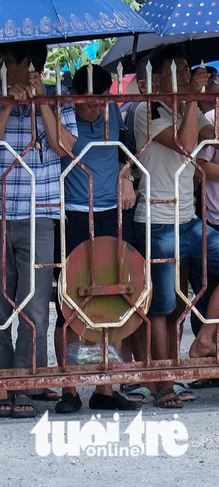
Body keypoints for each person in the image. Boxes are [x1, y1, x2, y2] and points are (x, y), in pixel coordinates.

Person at [0, 42, 76, 418]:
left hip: (40, 211)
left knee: (34, 304)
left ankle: (28, 382)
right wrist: (7, 106)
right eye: (3, 64)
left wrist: (43, 105)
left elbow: (63, 147)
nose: (6, 71)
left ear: (32, 66)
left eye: (11, 64)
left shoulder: (60, 100)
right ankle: (3, 383)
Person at [133, 46, 219, 408]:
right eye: (179, 72)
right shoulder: (146, 110)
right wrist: (192, 100)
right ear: (154, 79)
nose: (186, 77)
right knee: (163, 306)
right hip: (157, 221)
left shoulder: (183, 108)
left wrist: (191, 104)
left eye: (187, 71)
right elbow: (188, 146)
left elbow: (211, 137)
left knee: (176, 300)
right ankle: (163, 379)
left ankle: (204, 340)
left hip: (188, 218)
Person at [53, 65, 139, 414]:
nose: (95, 107)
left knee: (111, 300)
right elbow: (61, 144)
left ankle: (105, 388)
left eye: (102, 100)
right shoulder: (65, 119)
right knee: (69, 303)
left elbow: (128, 154)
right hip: (74, 214)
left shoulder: (114, 117)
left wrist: (126, 176)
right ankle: (68, 387)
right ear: (74, 96)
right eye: (89, 100)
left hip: (110, 214)